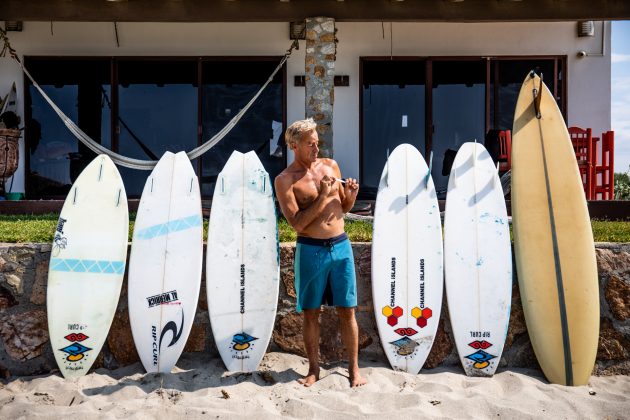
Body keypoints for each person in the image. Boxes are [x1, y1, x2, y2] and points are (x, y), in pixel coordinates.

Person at [274, 118, 366, 388]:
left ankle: (354, 370)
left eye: (317, 143)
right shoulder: (285, 180)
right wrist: (323, 196)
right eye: (309, 144)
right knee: (311, 312)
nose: (316, 149)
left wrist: (350, 195)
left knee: (347, 310)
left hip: (340, 245)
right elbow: (297, 224)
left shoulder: (331, 165)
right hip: (311, 250)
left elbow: (344, 208)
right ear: (294, 145)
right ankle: (313, 370)